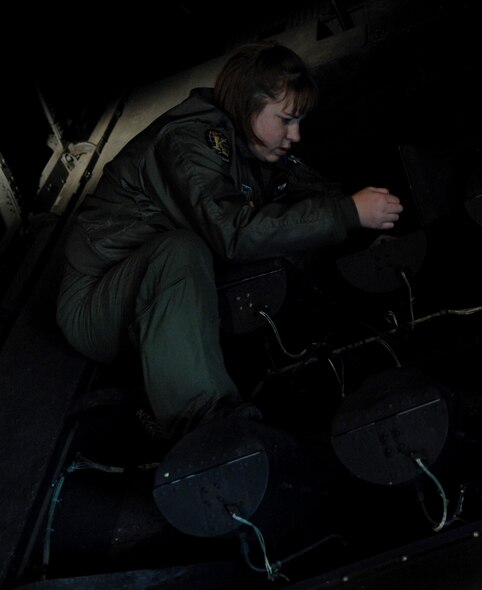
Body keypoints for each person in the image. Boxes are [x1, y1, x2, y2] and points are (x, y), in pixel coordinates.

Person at [55, 40, 403, 439]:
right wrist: (347, 212)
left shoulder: (246, 144)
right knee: (183, 250)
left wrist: (362, 225)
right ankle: (210, 431)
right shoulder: (190, 145)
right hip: (96, 303)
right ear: (247, 105)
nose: (296, 134)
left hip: (147, 291)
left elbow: (307, 193)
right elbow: (234, 232)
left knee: (276, 231)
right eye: (286, 120)